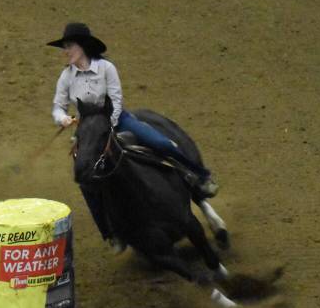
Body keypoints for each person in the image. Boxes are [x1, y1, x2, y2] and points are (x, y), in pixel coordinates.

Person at [48, 22, 219, 250]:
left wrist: (107, 127)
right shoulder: (66, 77)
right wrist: (63, 119)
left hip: (118, 121)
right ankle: (110, 233)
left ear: (83, 47)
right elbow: (58, 107)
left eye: (69, 46)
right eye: (65, 47)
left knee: (161, 143)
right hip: (89, 132)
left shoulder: (106, 68)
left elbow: (116, 101)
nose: (66, 51)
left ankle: (200, 178)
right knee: (85, 179)